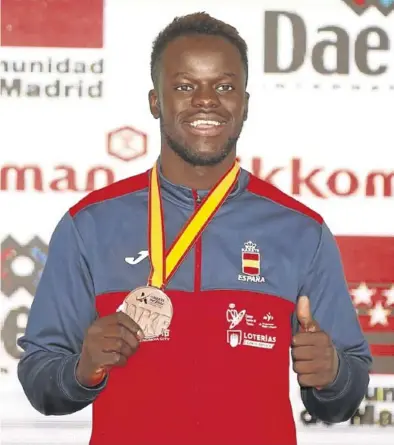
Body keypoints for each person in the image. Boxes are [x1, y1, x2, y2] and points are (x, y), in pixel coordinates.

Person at [17, 12, 371, 445]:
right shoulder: (89, 224)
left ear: (245, 101)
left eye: (224, 86)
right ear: (155, 101)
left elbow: (344, 396)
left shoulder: (300, 230)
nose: (207, 101)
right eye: (185, 86)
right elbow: (40, 380)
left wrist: (333, 375)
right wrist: (82, 369)